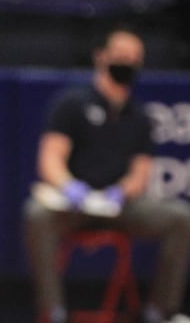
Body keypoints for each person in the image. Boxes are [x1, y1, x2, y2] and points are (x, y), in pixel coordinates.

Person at [22, 28, 190, 323]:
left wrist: (120, 193)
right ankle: (53, 311)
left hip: (119, 205)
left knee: (180, 217)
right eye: (121, 56)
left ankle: (160, 312)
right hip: (72, 204)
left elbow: (140, 174)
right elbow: (50, 159)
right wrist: (71, 187)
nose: (128, 63)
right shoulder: (72, 103)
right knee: (36, 214)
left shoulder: (140, 117)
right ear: (101, 56)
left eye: (135, 59)